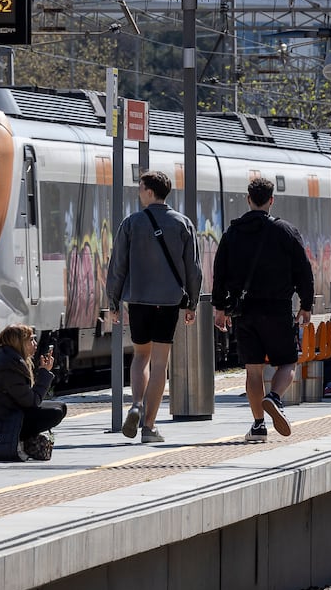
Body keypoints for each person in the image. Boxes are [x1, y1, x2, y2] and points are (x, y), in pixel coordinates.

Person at [212, 177, 314, 443]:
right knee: (288, 361)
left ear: (248, 199)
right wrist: (306, 305)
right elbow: (303, 270)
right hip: (278, 308)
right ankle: (275, 397)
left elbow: (219, 272)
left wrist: (220, 308)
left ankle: (258, 426)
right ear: (271, 200)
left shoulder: (233, 233)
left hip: (244, 312)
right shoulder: (286, 231)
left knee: (253, 370)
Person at [106, 170, 201, 443]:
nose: (139, 193)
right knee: (161, 363)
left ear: (149, 192)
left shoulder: (131, 223)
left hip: (138, 301)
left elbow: (118, 267)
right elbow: (193, 269)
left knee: (140, 357)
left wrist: (113, 302)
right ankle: (149, 427)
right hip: (169, 302)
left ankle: (136, 403)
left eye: (140, 188)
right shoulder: (183, 224)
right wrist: (192, 302)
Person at [0, 324, 67, 461]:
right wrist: (44, 374)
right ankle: (20, 439)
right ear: (19, 343)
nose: (35, 344)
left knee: (60, 407)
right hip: (3, 419)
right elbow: (31, 401)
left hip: (13, 411)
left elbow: (28, 398)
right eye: (31, 340)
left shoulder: (11, 359)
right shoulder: (7, 365)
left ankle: (23, 439)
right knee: (55, 412)